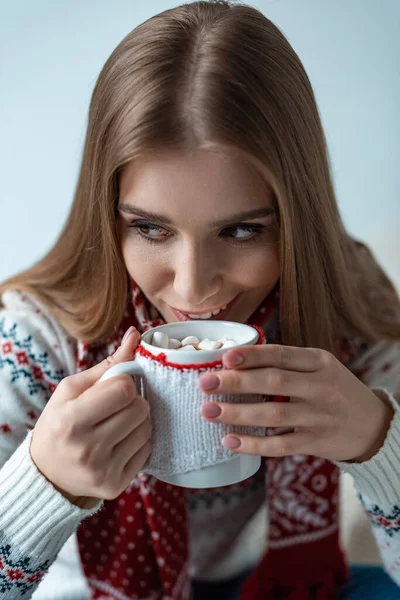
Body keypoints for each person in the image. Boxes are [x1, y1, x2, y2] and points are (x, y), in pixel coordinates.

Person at [0, 1, 399, 598]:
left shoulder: (346, 300)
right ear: (107, 217)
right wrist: (43, 484)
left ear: (297, 218)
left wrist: (378, 444)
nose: (193, 289)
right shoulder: (39, 335)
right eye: (150, 229)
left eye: (242, 231)